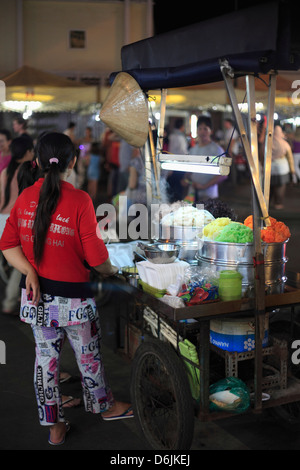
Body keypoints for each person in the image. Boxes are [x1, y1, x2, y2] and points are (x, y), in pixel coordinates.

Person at [0, 132, 133, 446]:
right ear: (73, 161)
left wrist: (30, 270)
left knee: (45, 361)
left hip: (35, 298)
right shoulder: (79, 199)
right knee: (88, 357)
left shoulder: (25, 198)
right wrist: (116, 270)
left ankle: (54, 426)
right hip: (74, 300)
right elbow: (97, 258)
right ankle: (105, 406)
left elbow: (7, 245)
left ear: (38, 162)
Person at [0, 136, 34, 303]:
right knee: (22, 263)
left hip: (1, 219)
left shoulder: (5, 171)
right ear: (28, 152)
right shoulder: (27, 170)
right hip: (16, 221)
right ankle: (10, 301)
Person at [184, 116, 227, 203]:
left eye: (205, 129)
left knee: (206, 216)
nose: (202, 132)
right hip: (193, 194)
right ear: (196, 131)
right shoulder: (192, 150)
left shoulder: (217, 150)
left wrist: (204, 186)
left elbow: (223, 174)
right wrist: (186, 179)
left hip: (209, 195)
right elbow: (189, 170)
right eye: (200, 129)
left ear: (211, 131)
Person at [270, 125, 296, 210]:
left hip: (270, 168)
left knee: (271, 186)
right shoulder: (285, 144)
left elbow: (262, 154)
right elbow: (290, 158)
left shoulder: (269, 143)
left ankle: (268, 202)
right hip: (282, 169)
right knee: (280, 187)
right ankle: (278, 203)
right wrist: (292, 170)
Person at [166, 118, 188, 202]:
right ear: (182, 127)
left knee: (171, 190)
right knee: (178, 191)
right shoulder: (180, 138)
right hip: (179, 167)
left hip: (170, 165)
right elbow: (183, 152)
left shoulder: (171, 136)